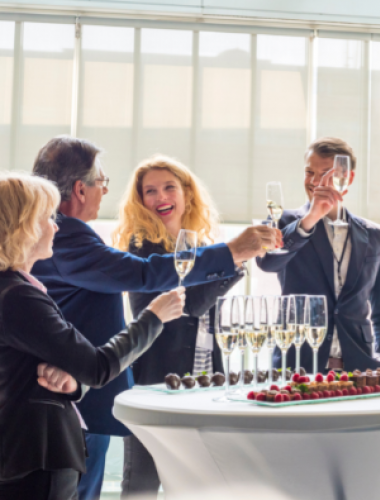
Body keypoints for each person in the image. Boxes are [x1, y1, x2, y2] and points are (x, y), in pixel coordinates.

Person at [30, 136, 278, 500]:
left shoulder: (64, 235)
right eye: (102, 183)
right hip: (72, 394)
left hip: (78, 390)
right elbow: (147, 274)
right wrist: (233, 251)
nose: (104, 191)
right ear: (81, 190)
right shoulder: (67, 236)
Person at [0, 172, 185, 500]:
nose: (57, 226)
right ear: (23, 226)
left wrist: (73, 381)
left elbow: (49, 370)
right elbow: (98, 367)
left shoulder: (18, 290)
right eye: (47, 218)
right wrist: (153, 319)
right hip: (34, 457)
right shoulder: (18, 297)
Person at [112, 156, 254, 498]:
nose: (161, 197)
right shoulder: (141, 251)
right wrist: (234, 262)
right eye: (150, 191)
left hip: (203, 379)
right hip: (156, 379)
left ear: (186, 194)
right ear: (140, 200)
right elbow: (187, 307)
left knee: (198, 481)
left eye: (169, 187)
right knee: (142, 483)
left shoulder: (204, 250)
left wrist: (230, 260)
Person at [257, 137, 380, 373]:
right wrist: (309, 220)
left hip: (360, 369)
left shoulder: (375, 235)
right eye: (309, 172)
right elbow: (267, 262)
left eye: (325, 174)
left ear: (348, 178)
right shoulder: (282, 222)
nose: (314, 181)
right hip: (297, 366)